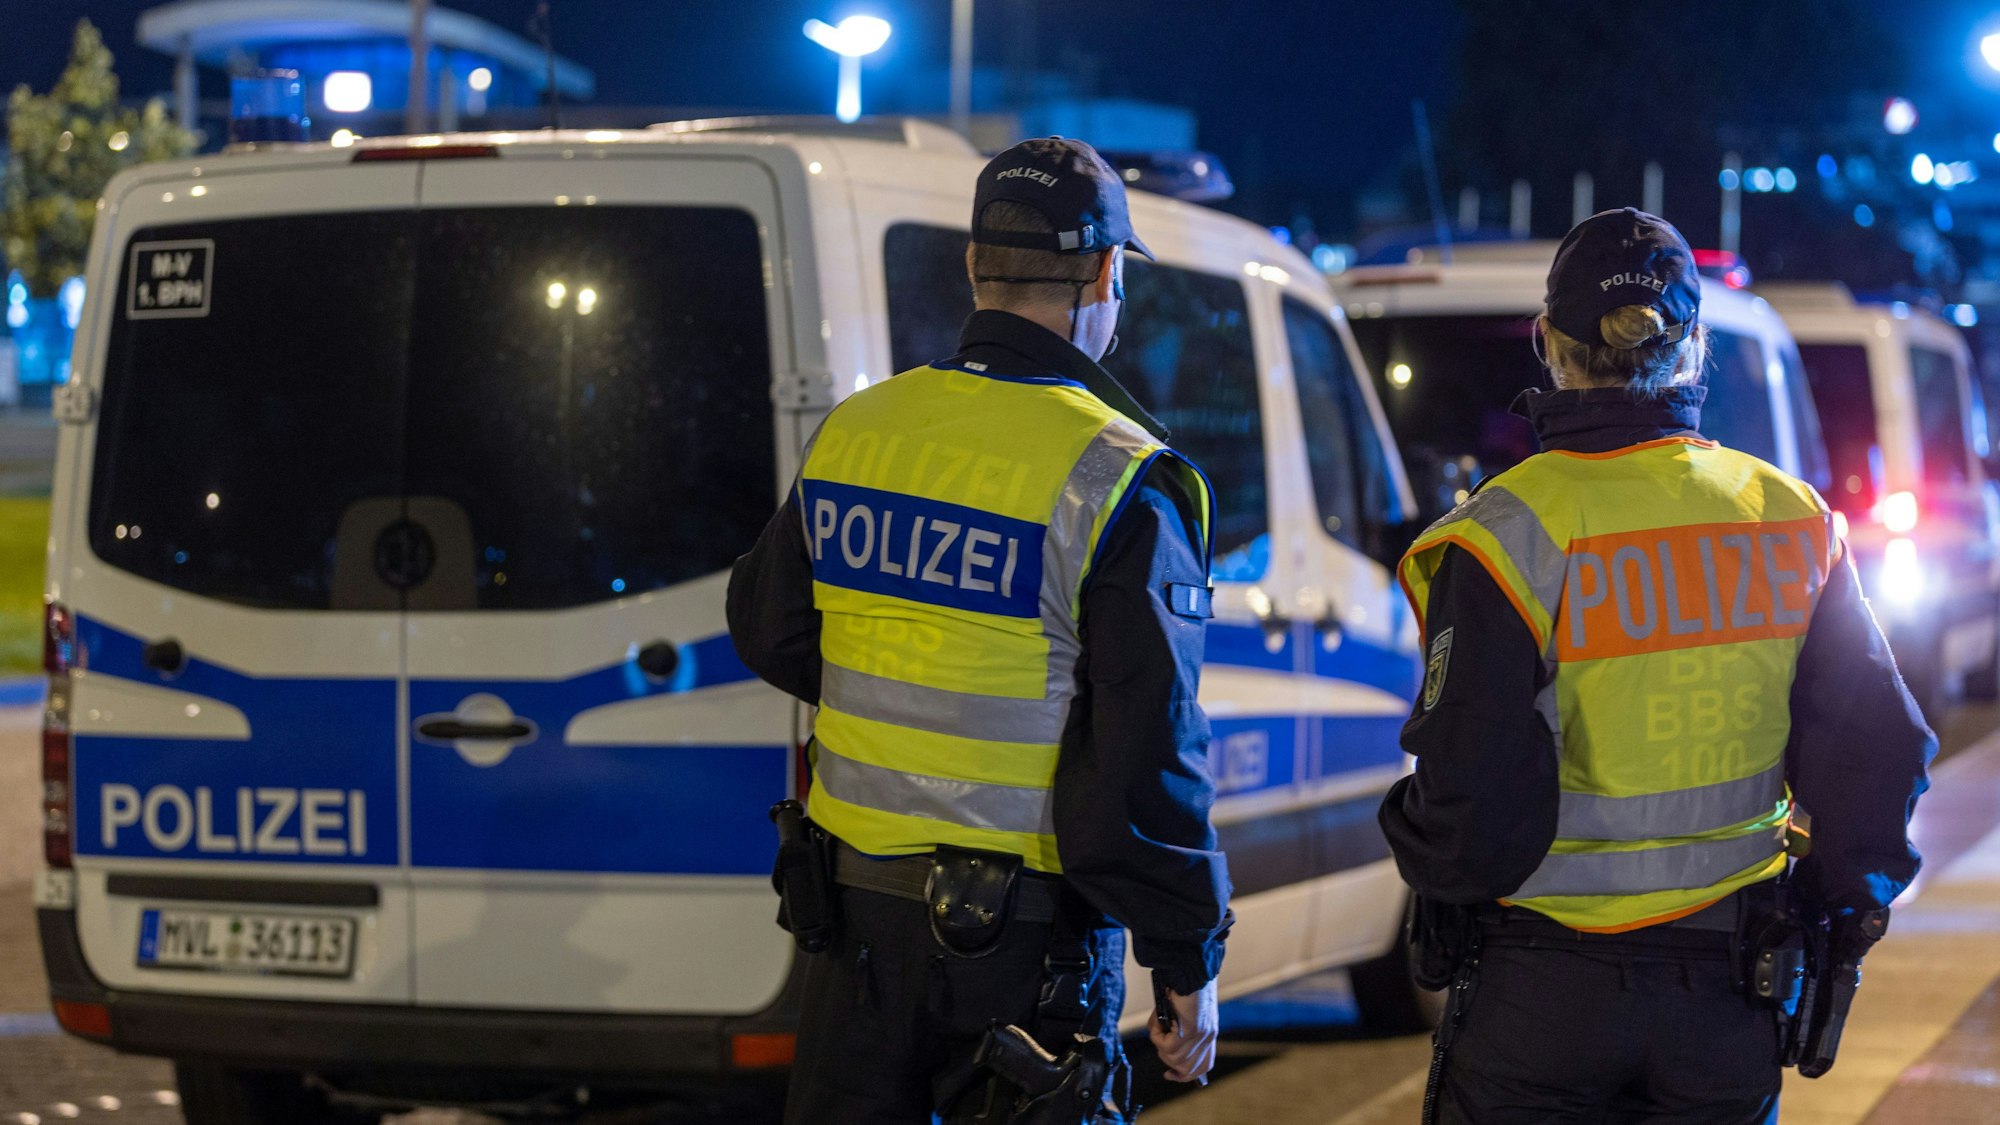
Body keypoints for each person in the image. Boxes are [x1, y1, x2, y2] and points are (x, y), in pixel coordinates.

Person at [1381, 208, 1936, 1125]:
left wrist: (1419, 846)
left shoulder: (1503, 531)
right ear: (1693, 348)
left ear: (1547, 342)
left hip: (1539, 997)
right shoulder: (1786, 517)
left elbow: (1471, 799)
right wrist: (1846, 906)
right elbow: (1879, 751)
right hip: (1725, 992)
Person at [727, 136, 1231, 1124]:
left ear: (973, 265)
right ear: (1100, 275)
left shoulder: (859, 430)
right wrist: (1185, 957)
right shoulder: (1116, 477)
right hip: (1024, 958)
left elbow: (767, 627)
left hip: (852, 939)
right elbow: (1147, 751)